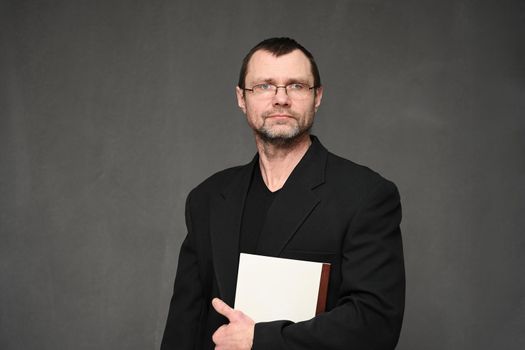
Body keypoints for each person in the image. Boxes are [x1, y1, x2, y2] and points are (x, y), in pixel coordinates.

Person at [161, 37, 405, 350]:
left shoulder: (366, 195)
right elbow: (184, 324)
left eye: (296, 86)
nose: (281, 99)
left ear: (317, 96)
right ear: (241, 98)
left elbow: (375, 325)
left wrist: (259, 340)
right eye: (264, 86)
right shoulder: (207, 198)